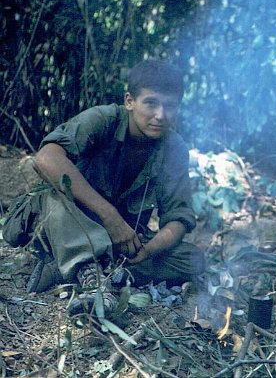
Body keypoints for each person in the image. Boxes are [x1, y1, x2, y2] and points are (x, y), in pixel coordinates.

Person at [3, 60, 205, 317]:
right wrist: (111, 217)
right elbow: (46, 159)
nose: (160, 115)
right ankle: (96, 285)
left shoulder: (173, 148)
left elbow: (179, 218)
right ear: (130, 101)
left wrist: (147, 250)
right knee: (58, 196)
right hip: (60, 219)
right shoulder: (104, 119)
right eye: (151, 103)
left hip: (114, 241)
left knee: (192, 259)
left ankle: (73, 265)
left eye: (170, 106)